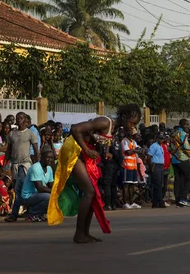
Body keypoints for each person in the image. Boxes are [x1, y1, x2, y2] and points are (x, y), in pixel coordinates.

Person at [47, 104, 141, 243]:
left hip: (84, 153)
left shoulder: (115, 129)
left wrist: (105, 153)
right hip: (74, 150)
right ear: (124, 117)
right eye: (132, 123)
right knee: (90, 191)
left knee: (93, 193)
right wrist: (87, 150)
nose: (133, 127)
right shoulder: (105, 122)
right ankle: (79, 234)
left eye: (135, 124)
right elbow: (75, 129)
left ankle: (84, 233)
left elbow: (97, 140)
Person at [4, 112, 39, 223]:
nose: (19, 119)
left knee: (19, 188)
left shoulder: (30, 133)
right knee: (21, 189)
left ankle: (14, 214)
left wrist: (37, 164)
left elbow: (36, 150)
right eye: (18, 118)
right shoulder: (11, 134)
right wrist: (5, 163)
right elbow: (9, 150)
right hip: (14, 164)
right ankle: (31, 211)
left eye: (21, 118)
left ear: (25, 120)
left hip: (25, 165)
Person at [21, 145, 55, 222]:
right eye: (47, 157)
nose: (50, 160)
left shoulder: (49, 169)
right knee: (49, 197)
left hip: (37, 195)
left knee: (56, 197)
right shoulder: (36, 168)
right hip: (28, 196)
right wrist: (54, 192)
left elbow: (51, 185)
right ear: (41, 157)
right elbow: (40, 188)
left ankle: (39, 214)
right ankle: (32, 213)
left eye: (51, 158)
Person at [169, 119, 190, 207]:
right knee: (189, 178)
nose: (188, 126)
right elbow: (186, 147)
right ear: (182, 125)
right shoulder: (183, 134)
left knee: (178, 180)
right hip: (183, 158)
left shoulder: (173, 134)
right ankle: (183, 198)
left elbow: (169, 148)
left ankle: (178, 200)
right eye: (186, 125)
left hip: (175, 160)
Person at [121, 129, 140, 209]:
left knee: (132, 185)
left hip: (134, 166)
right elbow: (128, 152)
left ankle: (131, 202)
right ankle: (125, 203)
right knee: (126, 185)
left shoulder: (133, 142)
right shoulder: (124, 141)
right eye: (135, 134)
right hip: (126, 166)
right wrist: (135, 150)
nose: (137, 136)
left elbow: (140, 150)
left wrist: (134, 150)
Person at [147, 134, 166, 208]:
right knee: (158, 185)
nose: (162, 140)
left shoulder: (160, 146)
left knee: (158, 185)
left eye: (163, 139)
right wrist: (151, 167)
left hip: (160, 166)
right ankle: (160, 202)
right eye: (160, 138)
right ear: (157, 138)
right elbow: (149, 157)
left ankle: (155, 203)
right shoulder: (154, 146)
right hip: (155, 166)